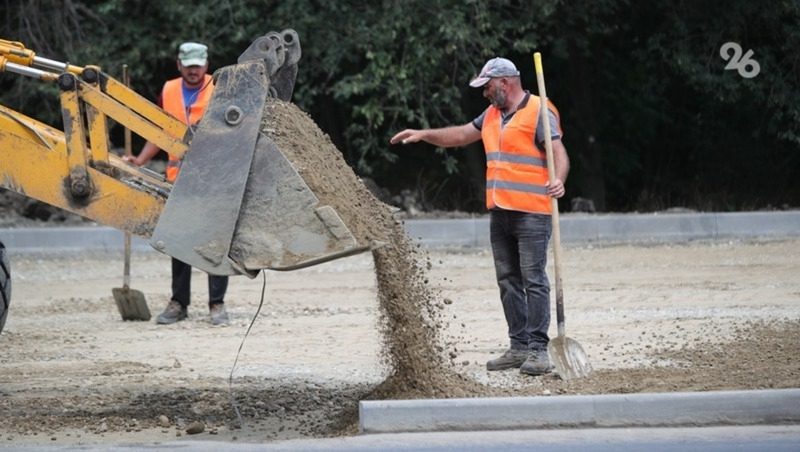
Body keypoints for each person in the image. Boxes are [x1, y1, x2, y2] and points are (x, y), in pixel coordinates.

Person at [390, 57, 570, 376]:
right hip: (500, 211)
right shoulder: (491, 115)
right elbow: (460, 135)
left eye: (487, 87)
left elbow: (559, 153)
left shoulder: (539, 111)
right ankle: (519, 347)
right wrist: (423, 134)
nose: (485, 93)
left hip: (532, 212)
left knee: (534, 280)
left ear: (505, 82)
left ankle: (539, 350)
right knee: (508, 281)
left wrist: (560, 180)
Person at [124, 42, 230, 326]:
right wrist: (141, 160)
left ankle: (217, 305)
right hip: (179, 182)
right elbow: (161, 131)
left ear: (206, 65)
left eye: (198, 66)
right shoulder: (169, 90)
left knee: (214, 243)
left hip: (213, 180)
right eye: (188, 65)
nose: (193, 71)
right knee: (179, 242)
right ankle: (178, 303)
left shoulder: (219, 88)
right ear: (179, 65)